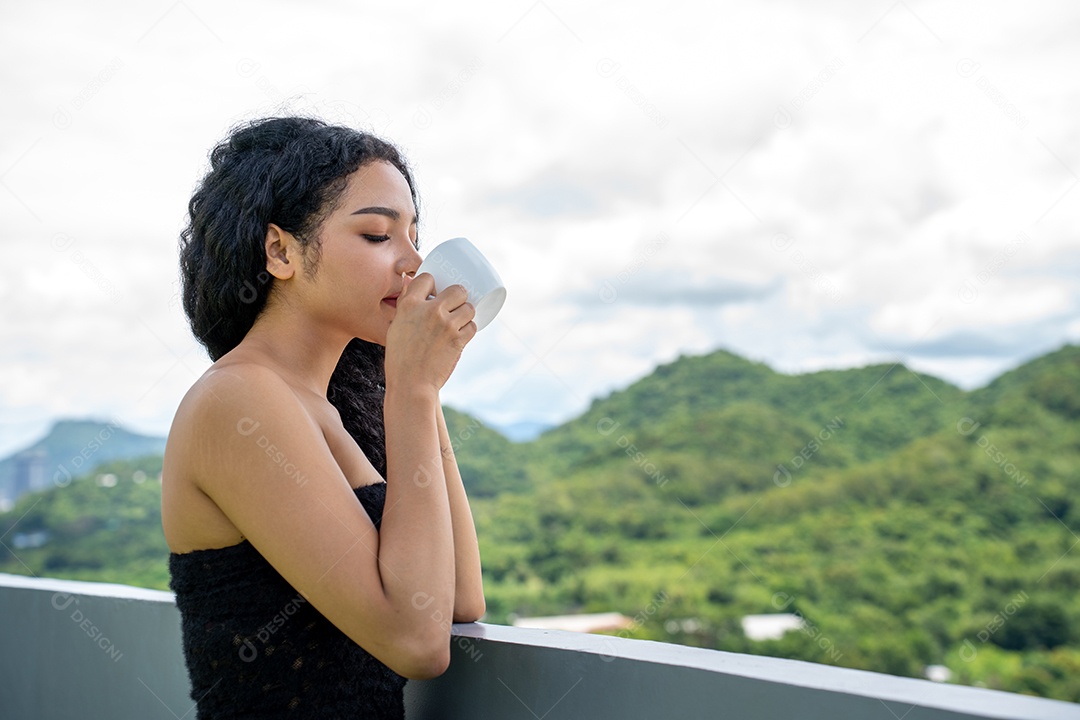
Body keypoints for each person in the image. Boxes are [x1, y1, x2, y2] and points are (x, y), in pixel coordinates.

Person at [162, 116, 485, 719]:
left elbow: (460, 599)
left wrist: (421, 383)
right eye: (377, 235)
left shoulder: (330, 408)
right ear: (281, 251)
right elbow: (417, 642)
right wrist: (412, 389)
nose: (414, 262)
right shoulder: (238, 400)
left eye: (414, 235)